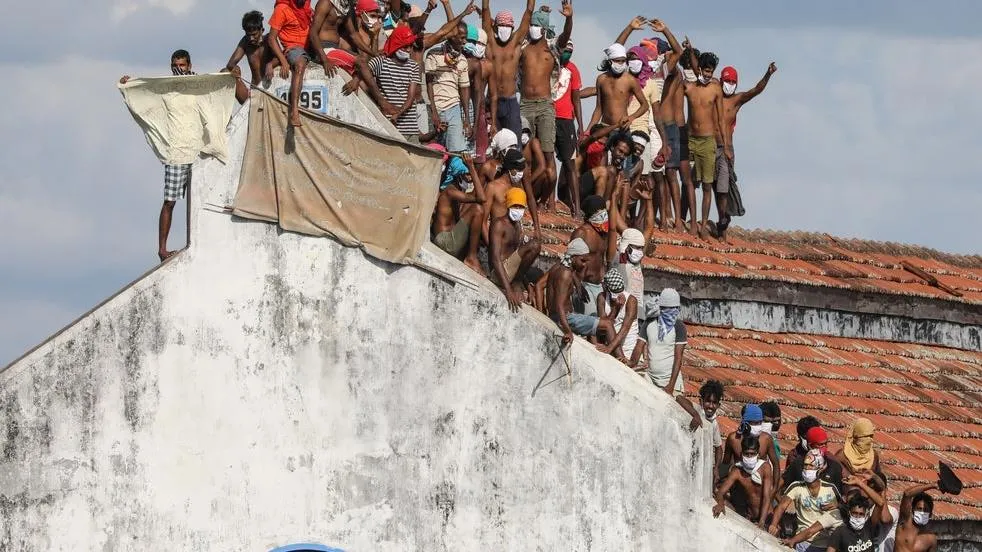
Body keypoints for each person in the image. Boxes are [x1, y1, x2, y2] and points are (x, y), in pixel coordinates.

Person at [120, 50, 197, 262]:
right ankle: (162, 249)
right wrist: (129, 86)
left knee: (198, 198)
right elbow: (146, 95)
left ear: (189, 65)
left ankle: (197, 242)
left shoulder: (198, 84)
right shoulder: (167, 87)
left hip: (198, 149)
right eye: (175, 66)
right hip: (176, 150)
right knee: (170, 201)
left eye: (181, 65)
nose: (178, 69)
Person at [519, 1, 573, 213]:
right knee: (526, 155)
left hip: (544, 105)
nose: (533, 28)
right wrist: (537, 11)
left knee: (548, 153)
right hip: (524, 105)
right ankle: (526, 195)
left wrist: (569, 18)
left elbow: (565, 36)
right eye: (532, 25)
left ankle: (549, 201)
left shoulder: (552, 48)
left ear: (544, 30)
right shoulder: (523, 47)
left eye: (537, 26)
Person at [713, 62, 776, 241]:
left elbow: (756, 90)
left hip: (727, 150)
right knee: (711, 187)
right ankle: (710, 223)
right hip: (710, 146)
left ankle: (722, 227)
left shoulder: (737, 100)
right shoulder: (714, 95)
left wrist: (768, 74)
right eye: (727, 81)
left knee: (723, 187)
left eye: (733, 82)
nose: (729, 84)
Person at [683, 47, 730, 240]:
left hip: (708, 141)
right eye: (705, 70)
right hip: (691, 140)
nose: (708, 74)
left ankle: (703, 224)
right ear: (699, 69)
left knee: (707, 186)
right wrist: (688, 49)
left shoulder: (715, 89)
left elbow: (720, 120)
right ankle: (690, 222)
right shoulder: (689, 87)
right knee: (689, 182)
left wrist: (726, 146)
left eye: (711, 71)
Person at [769, 450, 844, 552]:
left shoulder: (830, 488)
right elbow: (782, 506)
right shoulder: (796, 486)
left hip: (826, 544)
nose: (807, 469)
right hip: (803, 542)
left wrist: (837, 505)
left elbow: (843, 508)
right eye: (805, 465)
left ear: (820, 469)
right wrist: (773, 525)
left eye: (811, 466)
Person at [358, 25, 422, 142]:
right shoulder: (381, 62)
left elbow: (411, 97)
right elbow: (363, 76)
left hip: (409, 127)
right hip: (388, 127)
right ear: (397, 44)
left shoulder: (413, 66)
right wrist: (378, 103)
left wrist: (397, 114)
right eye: (405, 46)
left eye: (411, 46)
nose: (408, 49)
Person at [546, 238, 614, 345]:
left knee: (592, 321)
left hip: (559, 316)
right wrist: (568, 331)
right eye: (582, 260)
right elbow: (560, 305)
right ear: (573, 258)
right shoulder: (565, 274)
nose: (584, 265)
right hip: (565, 319)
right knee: (608, 325)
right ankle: (619, 358)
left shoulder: (557, 268)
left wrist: (578, 285)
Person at [483, 0, 535, 137]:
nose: (504, 28)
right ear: (495, 26)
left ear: (512, 27)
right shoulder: (490, 42)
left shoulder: (516, 42)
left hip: (510, 101)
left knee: (514, 143)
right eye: (501, 25)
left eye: (507, 25)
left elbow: (529, 12)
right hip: (491, 101)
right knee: (492, 144)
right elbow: (485, 10)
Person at [489, 187, 541, 311]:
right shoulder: (499, 224)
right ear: (508, 206)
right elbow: (495, 259)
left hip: (510, 273)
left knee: (534, 246)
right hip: (498, 274)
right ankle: (515, 283)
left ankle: (517, 283)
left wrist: (527, 284)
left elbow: (518, 260)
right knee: (534, 245)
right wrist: (509, 291)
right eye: (515, 206)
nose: (518, 210)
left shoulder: (517, 226)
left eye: (521, 207)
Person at [432, 154, 486, 273]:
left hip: (450, 238)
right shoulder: (450, 191)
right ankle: (471, 258)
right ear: (458, 175)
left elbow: (477, 196)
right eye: (466, 174)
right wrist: (471, 167)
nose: (470, 178)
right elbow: (481, 198)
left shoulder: (456, 191)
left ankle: (472, 256)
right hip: (445, 241)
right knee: (477, 209)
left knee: (474, 208)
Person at [425, 22, 471, 153]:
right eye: (461, 38)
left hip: (454, 107)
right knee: (437, 150)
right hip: (437, 108)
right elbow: (429, 83)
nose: (464, 41)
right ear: (451, 36)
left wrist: (466, 117)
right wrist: (433, 111)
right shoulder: (433, 54)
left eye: (465, 37)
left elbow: (464, 88)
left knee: (456, 150)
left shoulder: (462, 59)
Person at [588, 41, 649, 136]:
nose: (621, 63)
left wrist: (632, 117)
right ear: (610, 61)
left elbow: (645, 105)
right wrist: (589, 130)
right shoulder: (601, 79)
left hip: (622, 129)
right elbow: (599, 108)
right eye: (618, 61)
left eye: (623, 61)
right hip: (604, 128)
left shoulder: (630, 80)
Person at [713, 434, 773, 527]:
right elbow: (720, 492)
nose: (749, 457)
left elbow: (766, 497)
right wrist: (720, 503)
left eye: (752, 454)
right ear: (742, 454)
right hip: (749, 517)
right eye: (746, 454)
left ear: (758, 454)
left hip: (766, 517)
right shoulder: (737, 471)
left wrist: (762, 521)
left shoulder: (765, 468)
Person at [553, 39, 583, 216]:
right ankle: (550, 202)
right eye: (565, 50)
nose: (567, 54)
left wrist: (580, 125)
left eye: (570, 51)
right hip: (549, 116)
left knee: (569, 163)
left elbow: (576, 98)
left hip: (566, 120)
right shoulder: (550, 65)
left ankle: (576, 207)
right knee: (547, 158)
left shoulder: (573, 69)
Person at [826, 475, 894, 552]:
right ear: (849, 513)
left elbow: (880, 503)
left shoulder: (869, 527)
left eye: (861, 514)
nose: (857, 517)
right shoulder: (840, 532)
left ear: (866, 515)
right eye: (855, 513)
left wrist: (860, 483)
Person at [569, 195, 612, 317]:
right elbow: (569, 261)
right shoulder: (581, 233)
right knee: (590, 322)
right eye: (600, 211)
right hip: (584, 285)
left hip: (600, 287)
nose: (604, 214)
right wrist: (578, 286)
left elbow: (602, 259)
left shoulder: (603, 233)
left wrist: (605, 282)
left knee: (603, 324)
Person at [595, 268, 640, 364]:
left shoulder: (631, 301)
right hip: (609, 343)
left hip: (627, 347)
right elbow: (603, 326)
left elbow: (625, 329)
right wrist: (615, 308)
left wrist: (609, 348)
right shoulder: (602, 298)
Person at [784, 426, 846, 496]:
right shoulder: (797, 464)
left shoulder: (834, 467)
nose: (824, 448)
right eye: (820, 445)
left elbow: (839, 495)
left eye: (825, 444)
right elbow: (781, 486)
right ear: (810, 446)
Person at [463, 25, 493, 164]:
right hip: (462, 109)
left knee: (478, 155)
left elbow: (491, 95)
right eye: (477, 43)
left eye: (482, 44)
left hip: (479, 111)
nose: (479, 46)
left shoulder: (487, 65)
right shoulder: (462, 61)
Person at [226, 11, 272, 86]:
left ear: (262, 30)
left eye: (254, 34)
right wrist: (236, 69)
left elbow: (281, 59)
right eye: (248, 35)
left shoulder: (269, 39)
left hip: (272, 88)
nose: (251, 38)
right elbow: (230, 64)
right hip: (256, 89)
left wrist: (270, 64)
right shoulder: (245, 42)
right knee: (224, 71)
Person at [894, 483, 938, 552]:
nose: (922, 512)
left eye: (925, 510)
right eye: (919, 509)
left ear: (930, 514)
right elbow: (907, 494)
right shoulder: (904, 522)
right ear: (913, 510)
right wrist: (933, 485)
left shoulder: (931, 539)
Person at [699, 379, 725, 486]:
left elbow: (718, 447)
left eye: (714, 403)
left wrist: (716, 468)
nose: (710, 406)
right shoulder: (695, 413)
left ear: (718, 405)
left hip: (704, 465)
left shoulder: (714, 422)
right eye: (708, 401)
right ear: (701, 401)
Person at [520, 117, 549, 208]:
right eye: (522, 131)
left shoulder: (533, 143)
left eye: (526, 131)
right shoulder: (512, 143)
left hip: (531, 183)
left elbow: (542, 166)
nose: (524, 134)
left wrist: (527, 183)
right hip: (516, 185)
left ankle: (541, 203)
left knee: (547, 174)